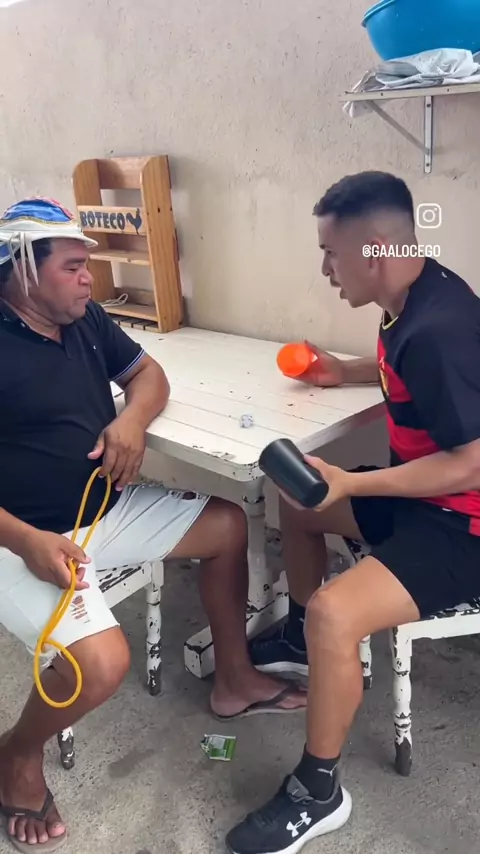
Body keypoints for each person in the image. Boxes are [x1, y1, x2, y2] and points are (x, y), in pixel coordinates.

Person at [0, 198, 306, 852]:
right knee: (102, 664)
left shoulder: (83, 319)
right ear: (22, 269)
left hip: (103, 511)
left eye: (87, 265)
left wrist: (131, 421)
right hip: (20, 539)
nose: (89, 279)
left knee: (226, 526)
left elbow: (148, 373)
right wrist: (24, 539)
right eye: (73, 267)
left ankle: (234, 680)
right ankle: (17, 753)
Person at [229, 170, 480, 853]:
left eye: (329, 254)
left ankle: (318, 792)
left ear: (373, 251)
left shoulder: (441, 327)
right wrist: (345, 372)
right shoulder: (412, 297)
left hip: (464, 528)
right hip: (425, 503)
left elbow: (471, 462)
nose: (325, 271)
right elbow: (412, 371)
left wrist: (353, 484)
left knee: (338, 610)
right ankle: (302, 641)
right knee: (299, 500)